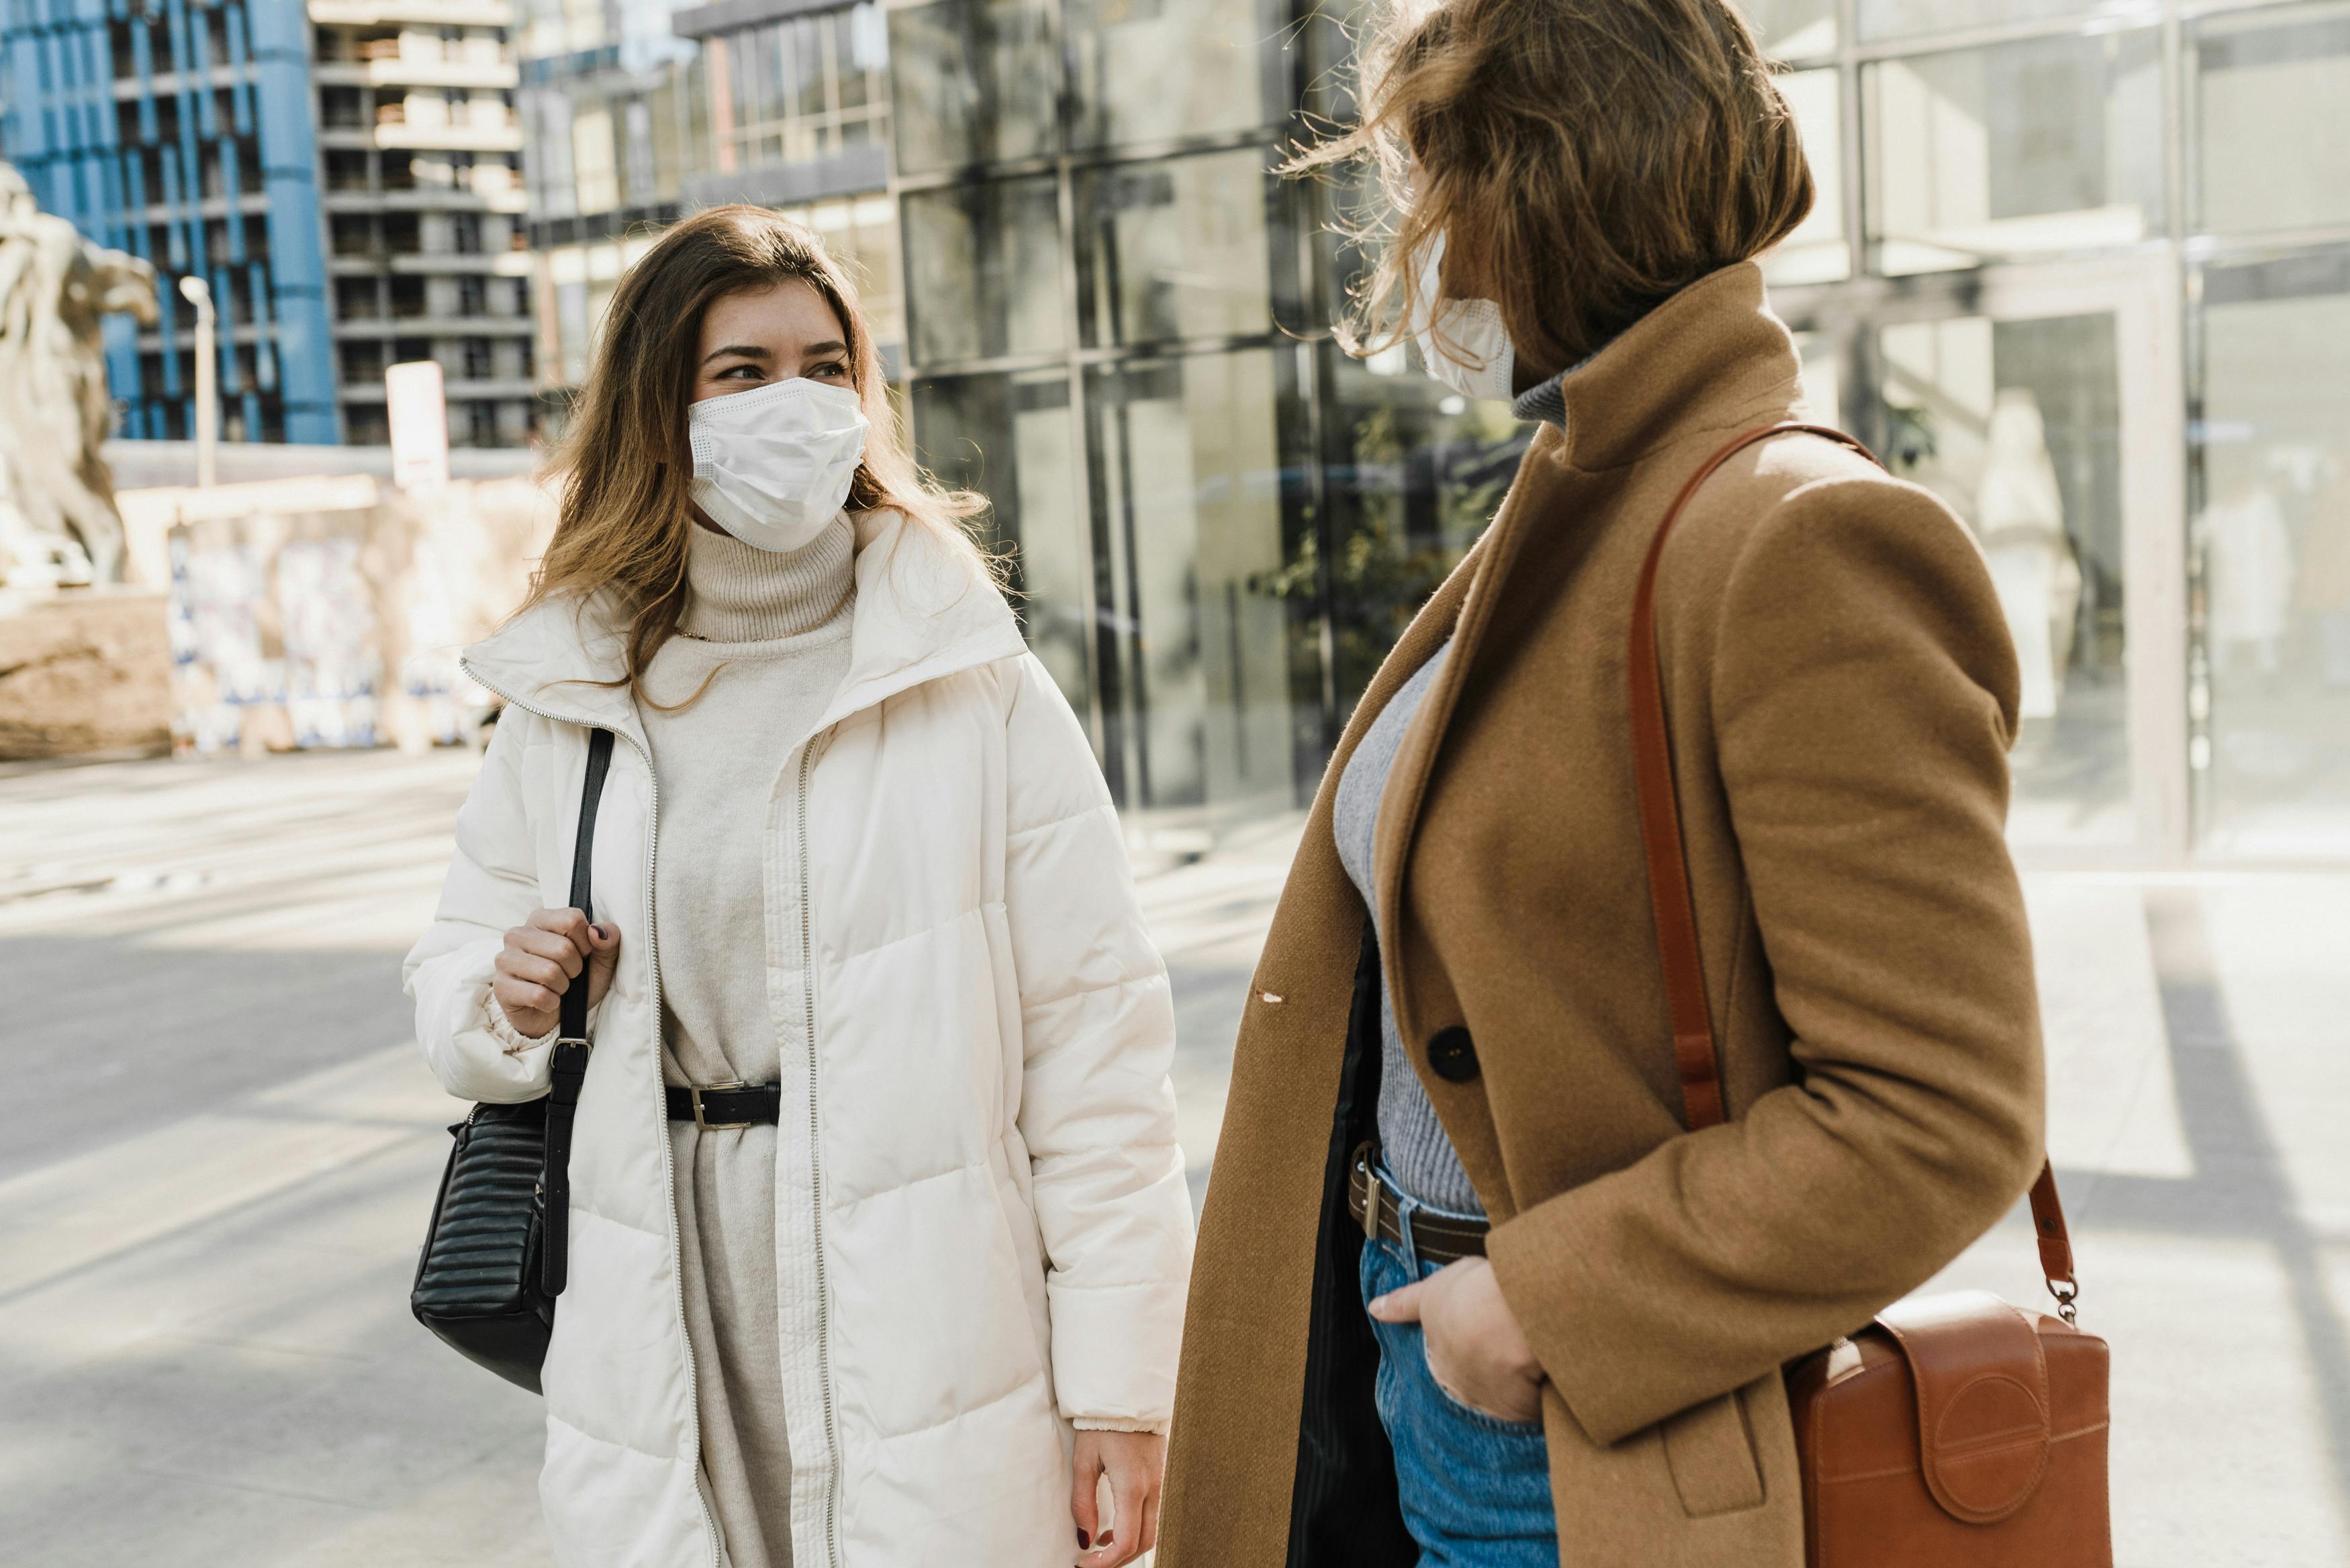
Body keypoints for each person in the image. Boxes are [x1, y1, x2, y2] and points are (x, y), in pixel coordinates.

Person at [1156, 3, 2046, 1565]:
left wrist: (1532, 1310)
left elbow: (1935, 1112)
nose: (1420, 247)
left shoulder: (1790, 533)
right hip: (1414, 1370)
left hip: (1570, 1435)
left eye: (1432, 186)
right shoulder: (1587, 493)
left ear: (1535, 190)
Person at [403, 206, 1192, 1568]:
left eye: (827, 367)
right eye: (743, 371)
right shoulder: (572, 685)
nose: (798, 404)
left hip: (927, 1316)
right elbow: (455, 981)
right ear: (664, 410)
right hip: (661, 1297)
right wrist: (506, 993)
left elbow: (1098, 1050)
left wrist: (1122, 1388)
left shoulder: (962, 669)